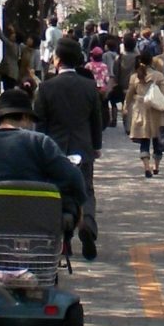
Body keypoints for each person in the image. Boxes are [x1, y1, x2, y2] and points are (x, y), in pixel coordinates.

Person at [0, 87, 88, 252]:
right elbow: (73, 177)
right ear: (26, 117)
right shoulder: (40, 141)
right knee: (69, 198)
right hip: (38, 222)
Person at [32, 38, 104, 258]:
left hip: (55, 149)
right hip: (83, 147)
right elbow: (96, 120)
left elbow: (40, 123)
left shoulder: (46, 87)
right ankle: (88, 224)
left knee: (57, 192)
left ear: (58, 60)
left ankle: (65, 241)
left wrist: (39, 150)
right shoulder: (89, 86)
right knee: (86, 190)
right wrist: (96, 146)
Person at [124, 47, 164, 176]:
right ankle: (156, 166)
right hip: (157, 109)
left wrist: (125, 107)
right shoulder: (158, 75)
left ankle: (146, 167)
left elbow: (129, 93)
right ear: (152, 61)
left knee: (144, 139)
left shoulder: (135, 76)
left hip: (141, 109)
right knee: (157, 139)